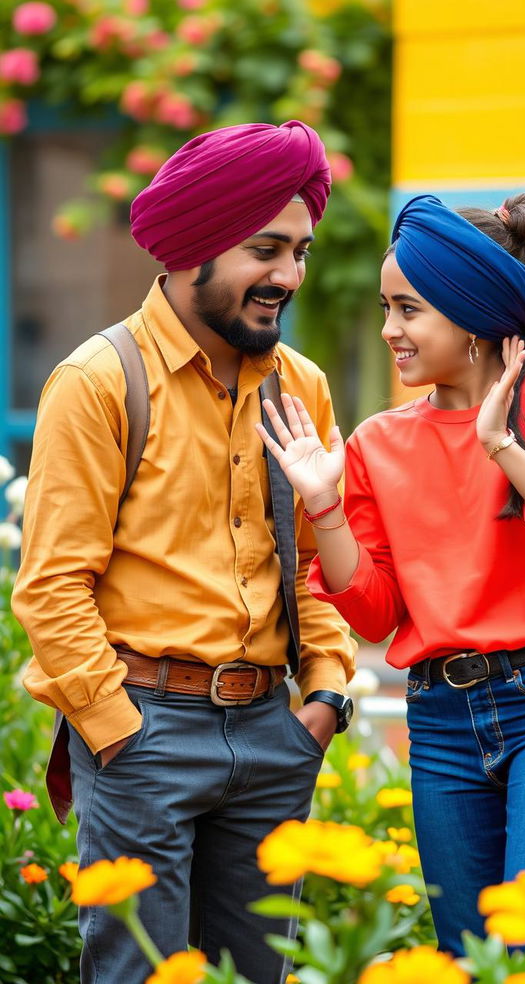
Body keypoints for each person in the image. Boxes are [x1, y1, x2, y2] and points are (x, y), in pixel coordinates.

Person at [12, 120, 356, 984]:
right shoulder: (99, 382)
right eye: (266, 250)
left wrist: (324, 695)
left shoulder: (302, 386)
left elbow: (315, 565)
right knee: (138, 975)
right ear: (194, 249)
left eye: (301, 252)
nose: (289, 276)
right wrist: (118, 733)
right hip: (143, 733)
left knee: (258, 975)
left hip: (275, 734)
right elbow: (53, 586)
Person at [256, 192, 525, 965]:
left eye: (409, 309)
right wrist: (325, 505)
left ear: (472, 314)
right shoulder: (377, 444)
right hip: (439, 722)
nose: (390, 330)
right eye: (386, 308)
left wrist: (503, 448)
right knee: (464, 958)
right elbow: (374, 612)